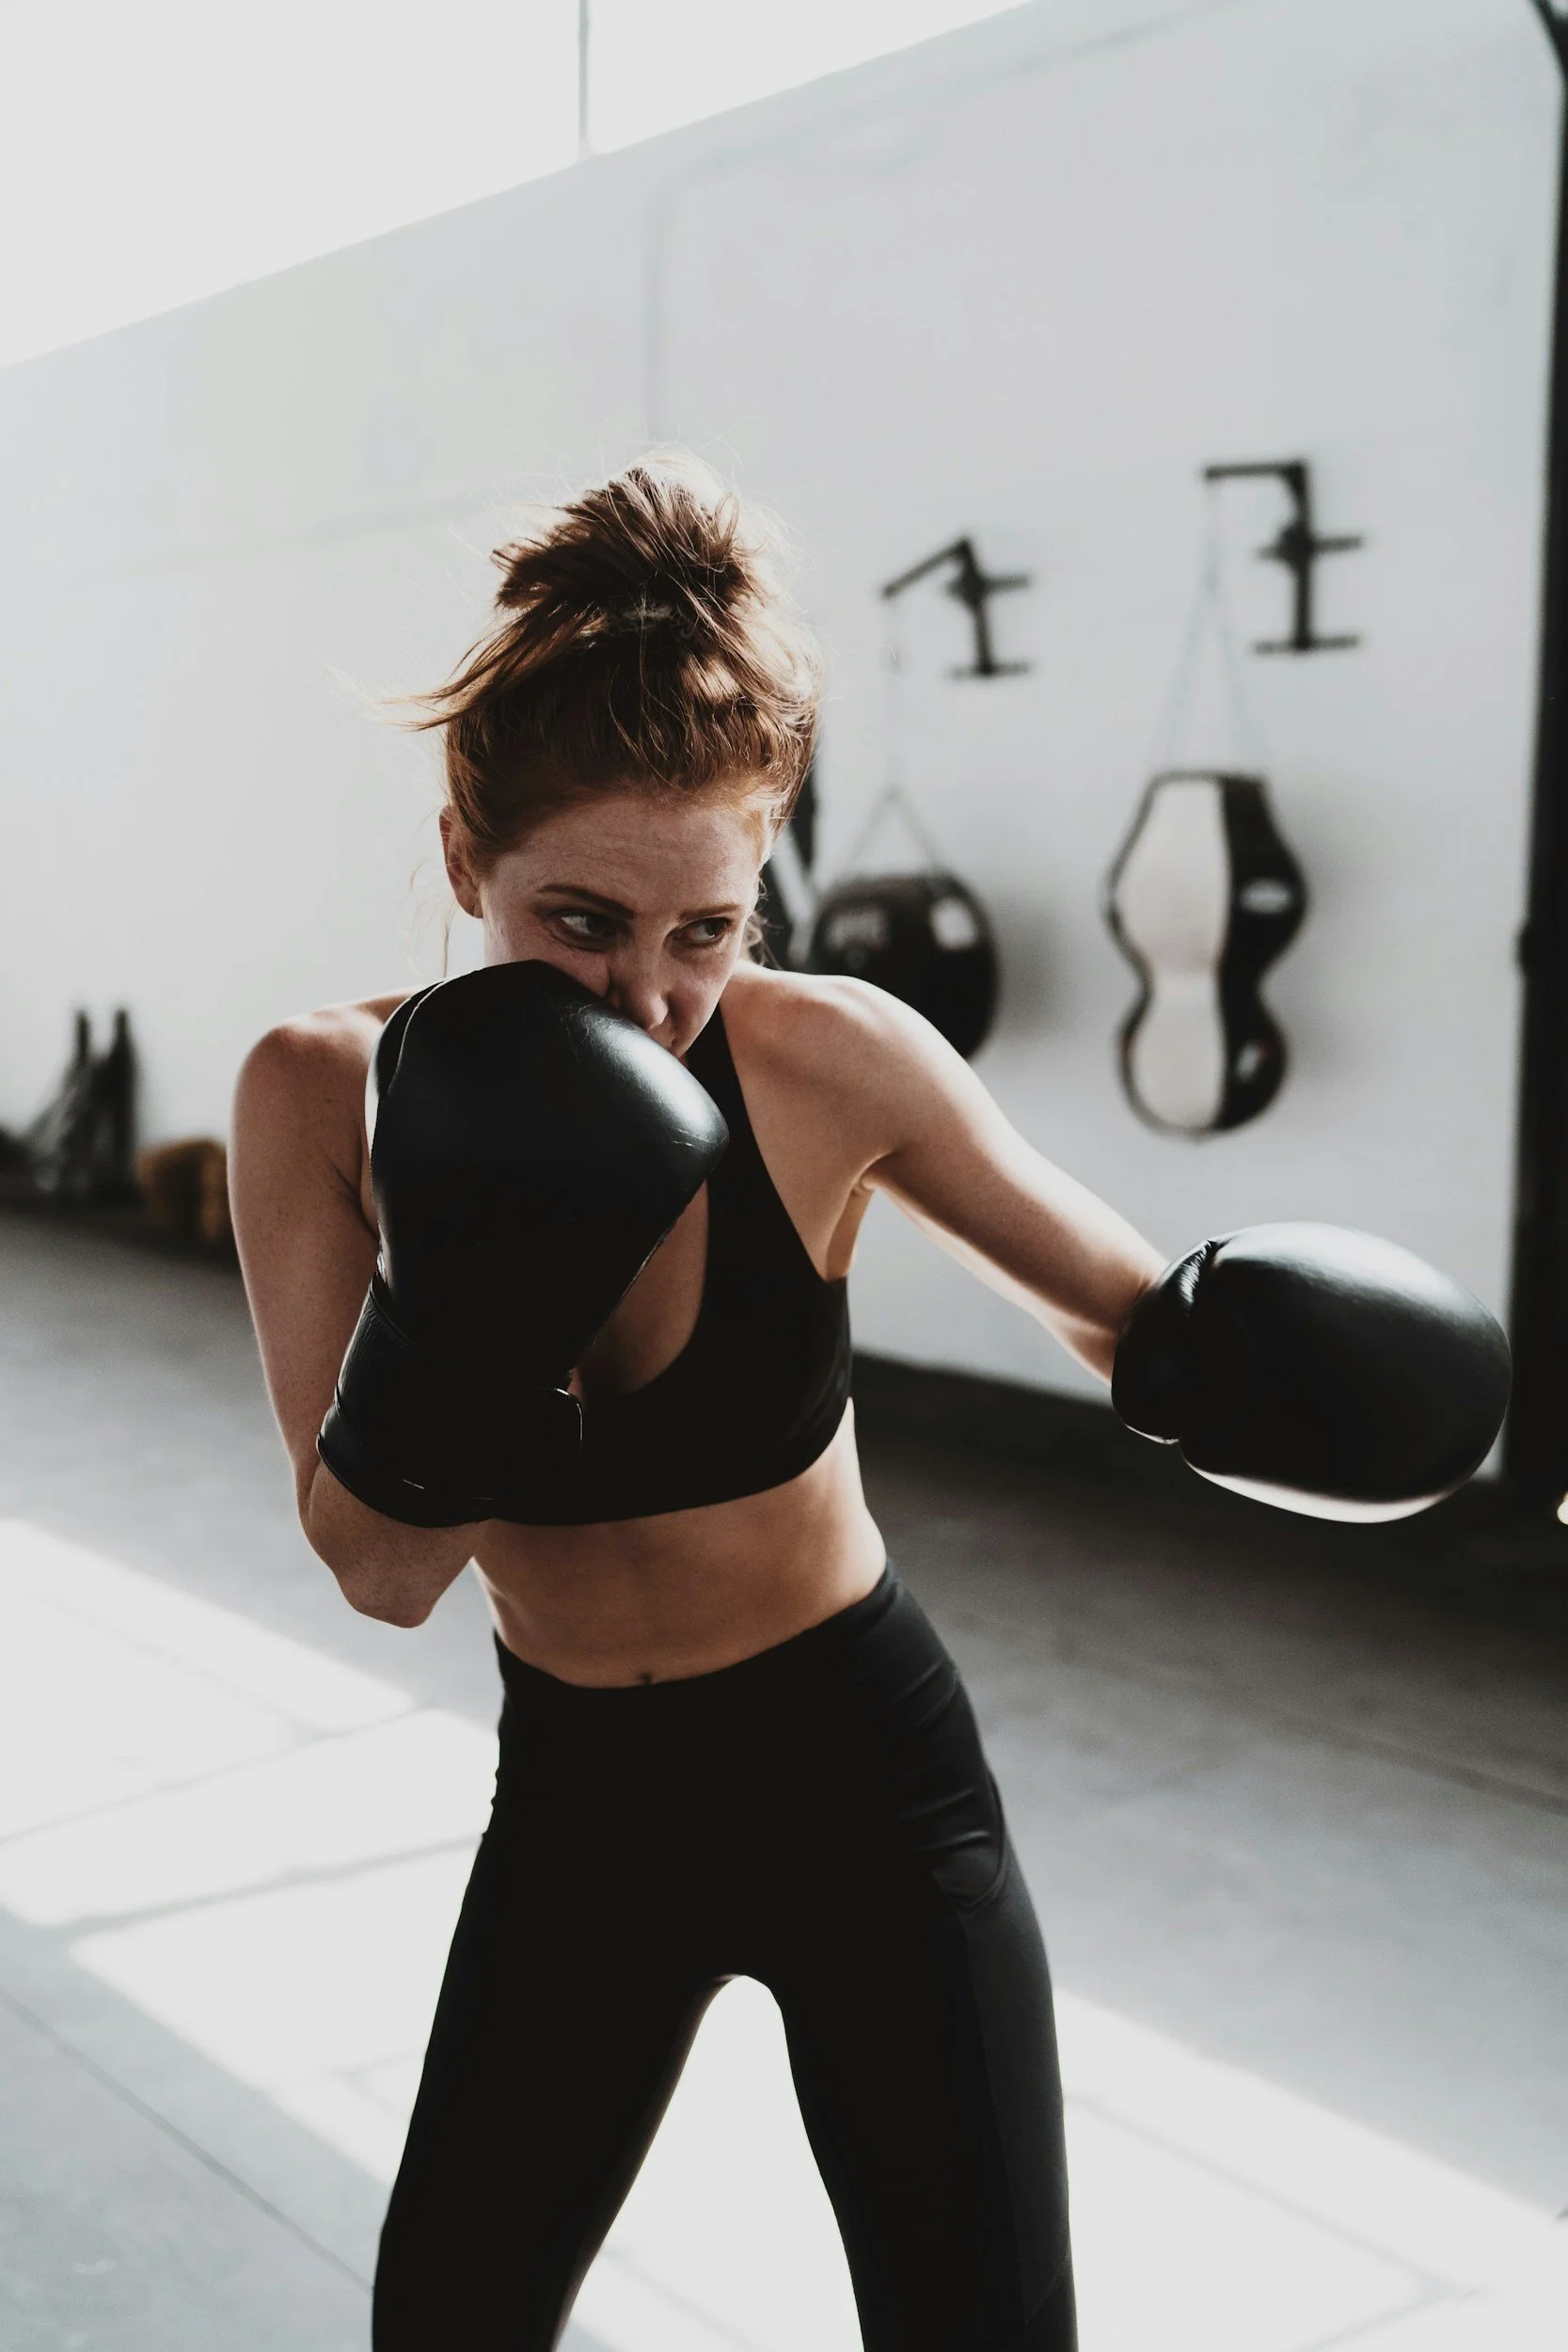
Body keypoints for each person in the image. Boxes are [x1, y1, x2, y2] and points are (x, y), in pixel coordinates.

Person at [230, 459, 1505, 2352]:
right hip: (581, 1802)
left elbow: (1126, 1315)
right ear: (457, 861)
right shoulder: (320, 1097)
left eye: (705, 930)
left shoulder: (830, 1058)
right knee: (447, 2318)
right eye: (578, 921)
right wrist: (476, 1277)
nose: (648, 997)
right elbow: (377, 1565)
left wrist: (1273, 1367)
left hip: (863, 1780)